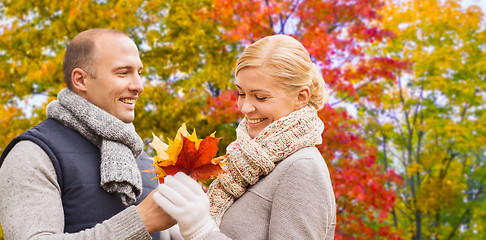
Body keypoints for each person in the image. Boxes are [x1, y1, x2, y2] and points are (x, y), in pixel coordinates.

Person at [153, 34, 336, 239]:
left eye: (260, 97)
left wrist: (201, 231)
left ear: (301, 97)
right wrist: (174, 227)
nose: (246, 108)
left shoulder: (302, 168)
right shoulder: (243, 164)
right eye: (241, 94)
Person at [0, 29, 175, 239]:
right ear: (81, 80)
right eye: (123, 72)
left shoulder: (144, 161)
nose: (139, 86)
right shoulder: (33, 153)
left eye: (139, 72)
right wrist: (141, 221)